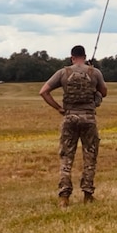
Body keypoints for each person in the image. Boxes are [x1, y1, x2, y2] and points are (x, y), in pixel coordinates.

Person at [39, 45, 108, 207]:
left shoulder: (64, 72)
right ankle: (88, 194)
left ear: (72, 57)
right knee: (90, 156)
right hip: (89, 118)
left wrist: (59, 108)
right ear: (84, 56)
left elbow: (43, 91)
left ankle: (64, 196)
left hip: (69, 117)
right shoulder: (94, 72)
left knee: (66, 158)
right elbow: (103, 92)